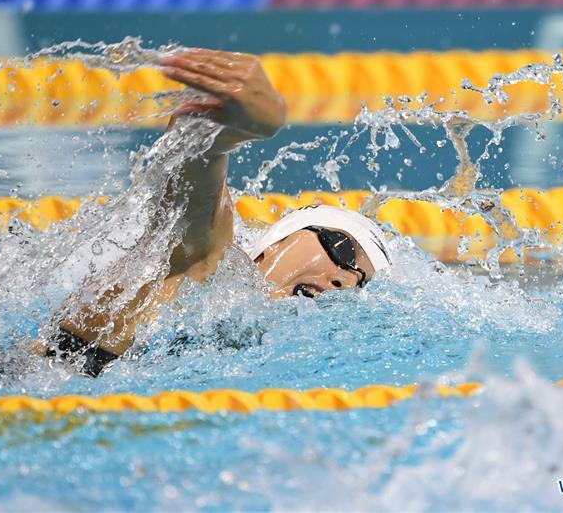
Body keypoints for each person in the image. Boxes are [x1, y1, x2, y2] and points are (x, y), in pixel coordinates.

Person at [44, 49, 391, 377]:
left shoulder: (244, 345)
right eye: (342, 249)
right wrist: (226, 128)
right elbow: (191, 186)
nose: (345, 279)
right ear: (275, 242)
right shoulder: (211, 266)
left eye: (359, 284)